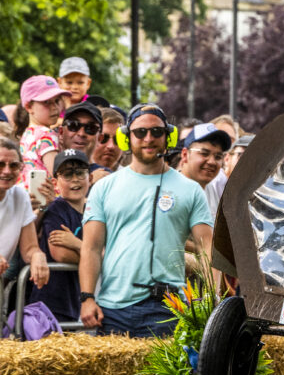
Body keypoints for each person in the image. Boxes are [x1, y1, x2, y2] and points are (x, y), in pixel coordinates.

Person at [78, 104, 214, 338]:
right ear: (127, 138)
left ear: (168, 137)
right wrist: (87, 297)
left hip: (168, 309)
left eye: (157, 132)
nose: (149, 138)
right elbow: (91, 248)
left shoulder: (191, 190)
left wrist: (211, 298)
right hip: (112, 309)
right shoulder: (103, 187)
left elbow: (207, 248)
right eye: (140, 132)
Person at [29, 148, 91, 326]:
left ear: (90, 177)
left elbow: (105, 252)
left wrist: (77, 244)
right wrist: (94, 257)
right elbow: (61, 254)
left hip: (74, 302)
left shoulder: (94, 211)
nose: (75, 179)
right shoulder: (57, 209)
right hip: (49, 302)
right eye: (67, 174)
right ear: (55, 183)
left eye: (80, 172)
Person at [0, 137, 51, 292]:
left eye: (14, 165)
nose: (7, 171)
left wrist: (38, 256)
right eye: (0, 164)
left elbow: (30, 248)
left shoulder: (20, 196)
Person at [17, 75, 72, 175]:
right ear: (29, 107)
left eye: (57, 101)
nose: (55, 107)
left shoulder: (27, 133)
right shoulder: (47, 135)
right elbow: (59, 175)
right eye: (46, 102)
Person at [177, 123, 232, 216]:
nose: (212, 162)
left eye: (218, 156)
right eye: (204, 153)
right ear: (185, 154)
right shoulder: (170, 191)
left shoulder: (212, 189)